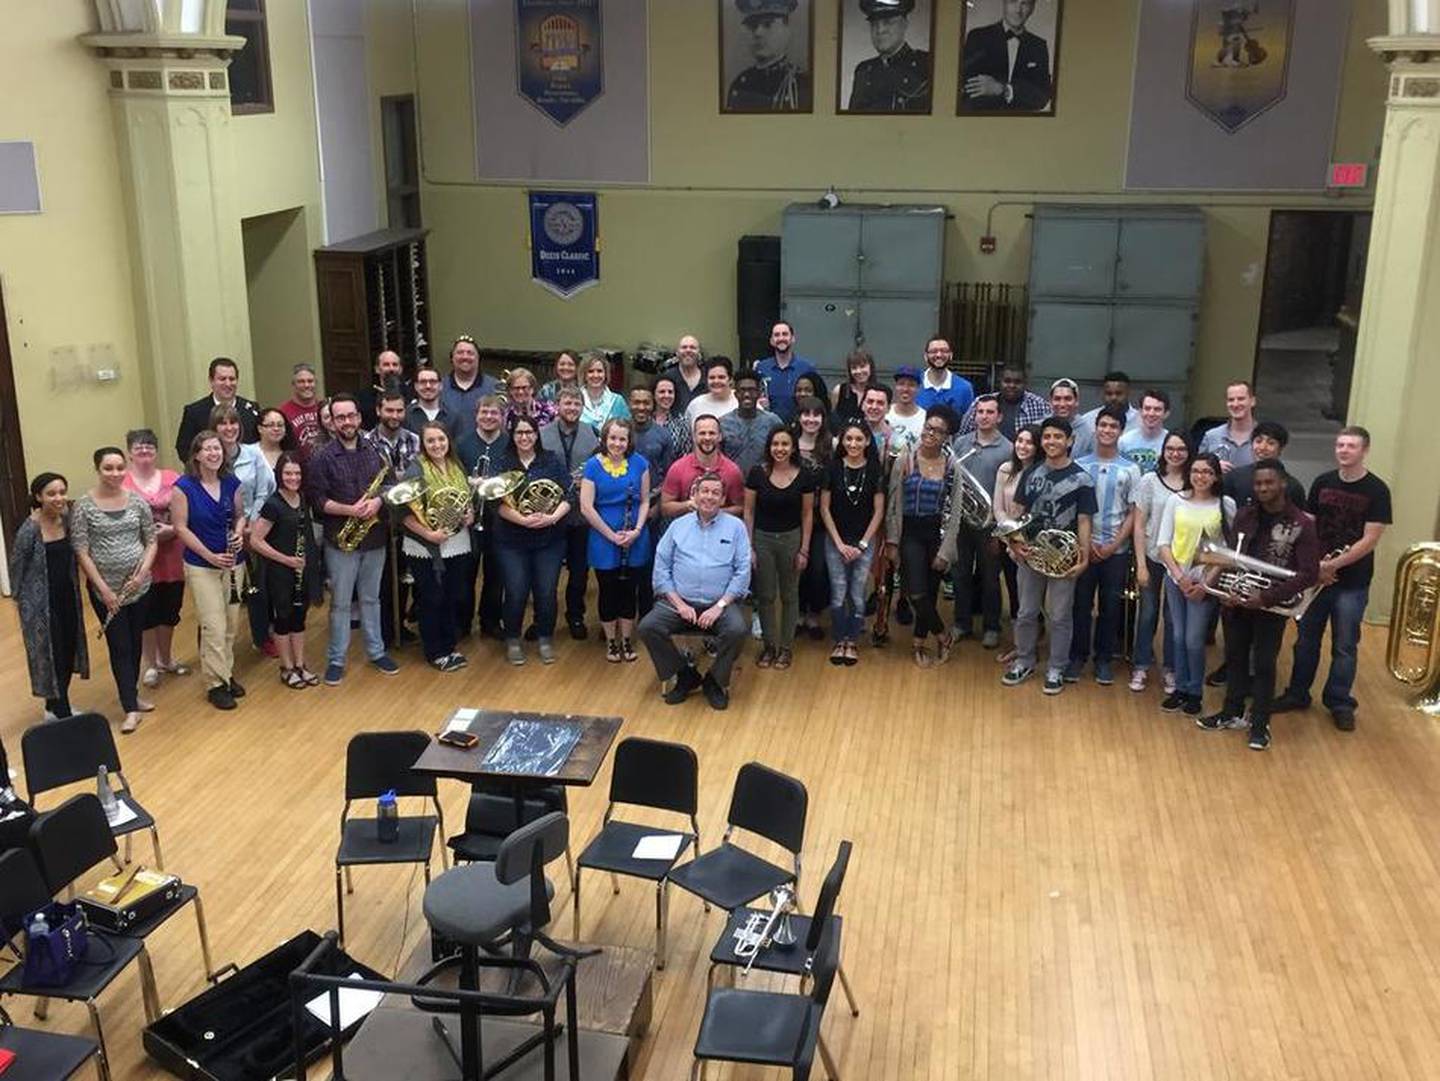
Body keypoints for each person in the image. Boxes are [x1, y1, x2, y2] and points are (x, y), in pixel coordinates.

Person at [1274, 427, 1392, 731]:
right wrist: (1313, 563)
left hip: (1352, 582)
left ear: (1364, 450)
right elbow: (1309, 523)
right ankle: (1298, 694)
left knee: (1345, 645)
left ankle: (1339, 702)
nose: (1344, 450)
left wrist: (1332, 564)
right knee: (1305, 641)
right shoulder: (1323, 482)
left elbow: (1370, 540)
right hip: (1317, 576)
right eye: (1340, 444)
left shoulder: (1377, 490)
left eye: (1351, 446)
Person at [1198, 460, 1319, 750]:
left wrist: (1265, 597)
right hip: (1238, 600)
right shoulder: (1245, 515)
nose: (1263, 488)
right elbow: (1232, 558)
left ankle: (1260, 725)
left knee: (1264, 664)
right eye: (1259, 483)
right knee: (1235, 657)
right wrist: (1223, 588)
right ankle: (1231, 712)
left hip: (1270, 604)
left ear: (1283, 483)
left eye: (1269, 482)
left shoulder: (1301, 524)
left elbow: (1308, 574)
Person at [306, 393, 399, 685]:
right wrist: (349, 510)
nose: (347, 422)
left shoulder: (375, 450)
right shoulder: (321, 457)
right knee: (342, 604)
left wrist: (378, 503)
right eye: (340, 417)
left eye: (351, 416)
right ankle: (336, 659)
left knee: (372, 599)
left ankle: (376, 651)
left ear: (359, 417)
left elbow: (390, 484)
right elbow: (317, 500)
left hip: (374, 537)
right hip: (340, 539)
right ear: (332, 422)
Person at [639, 473, 752, 709]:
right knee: (649, 627)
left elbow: (742, 573)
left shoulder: (736, 528)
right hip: (679, 601)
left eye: (715, 493)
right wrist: (679, 603)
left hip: (721, 603)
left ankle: (714, 680)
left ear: (722, 499)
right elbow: (661, 567)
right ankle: (685, 674)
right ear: (694, 495)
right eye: (704, 491)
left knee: (737, 628)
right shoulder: (677, 527)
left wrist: (719, 606)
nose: (709, 497)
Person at [1000, 416, 1095, 695]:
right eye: (1047, 437)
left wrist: (1084, 557)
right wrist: (1015, 544)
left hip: (1064, 559)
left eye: (1057, 437)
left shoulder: (1082, 478)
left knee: (1060, 616)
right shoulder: (1031, 473)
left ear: (1070, 441)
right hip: (1031, 554)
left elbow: (1085, 521)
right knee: (1026, 611)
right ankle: (1025, 659)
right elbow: (1016, 514)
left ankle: (1057, 667)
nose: (1051, 441)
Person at [72, 446, 157, 733]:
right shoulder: (84, 506)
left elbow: (152, 540)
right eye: (108, 468)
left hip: (139, 587)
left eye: (120, 467)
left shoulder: (136, 501)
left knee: (134, 643)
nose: (115, 473)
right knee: (120, 646)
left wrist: (142, 572)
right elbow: (82, 551)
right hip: (106, 592)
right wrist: (105, 590)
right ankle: (130, 708)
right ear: (98, 470)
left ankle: (131, 694)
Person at [1066, 407, 1141, 686]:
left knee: (1110, 606)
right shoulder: (1080, 465)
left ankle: (1104, 660)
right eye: (1103, 425)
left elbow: (1134, 512)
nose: (1107, 430)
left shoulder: (1131, 469)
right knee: (1081, 605)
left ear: (1121, 431)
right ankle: (1077, 656)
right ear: (1095, 428)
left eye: (1113, 426)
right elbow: (1074, 509)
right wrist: (1087, 546)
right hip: (1084, 549)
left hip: (1116, 552)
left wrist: (1113, 545)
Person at [172, 431, 245, 710]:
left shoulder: (231, 483)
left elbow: (240, 515)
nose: (214, 454)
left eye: (218, 449)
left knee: (230, 624)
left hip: (233, 561)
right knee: (213, 625)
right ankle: (215, 684)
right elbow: (180, 528)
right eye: (208, 449)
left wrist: (239, 533)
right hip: (202, 564)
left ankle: (225, 673)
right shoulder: (183, 487)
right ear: (197, 455)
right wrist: (209, 555)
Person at [396, 423, 475, 672]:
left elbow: (464, 500)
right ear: (423, 444)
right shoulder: (415, 469)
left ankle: (449, 646)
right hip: (425, 544)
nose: (437, 445)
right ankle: (435, 651)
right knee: (432, 598)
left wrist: (469, 514)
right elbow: (402, 512)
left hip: (456, 541)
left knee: (453, 596)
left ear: (448, 440)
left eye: (441, 439)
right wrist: (428, 533)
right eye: (430, 441)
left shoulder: (456, 465)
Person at [1157, 453, 1231, 716]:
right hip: (1177, 578)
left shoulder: (1225, 504)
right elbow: (1163, 543)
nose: (1201, 476)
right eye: (1196, 471)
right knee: (1177, 636)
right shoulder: (1175, 500)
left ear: (1216, 477)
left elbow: (1227, 551)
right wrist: (1179, 577)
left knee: (1194, 639)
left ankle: (1195, 692)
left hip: (1205, 583)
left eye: (1207, 472)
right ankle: (1180, 688)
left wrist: (1205, 583)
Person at [494, 416, 572, 665]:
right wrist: (523, 520)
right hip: (511, 539)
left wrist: (551, 518)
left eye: (529, 432)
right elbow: (496, 503)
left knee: (546, 592)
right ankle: (513, 638)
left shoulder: (551, 460)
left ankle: (545, 637)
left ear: (537, 435)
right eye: (519, 433)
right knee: (516, 591)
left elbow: (569, 493)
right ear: (512, 436)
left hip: (549, 538)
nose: (524, 437)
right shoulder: (503, 463)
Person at [11, 472, 89, 720]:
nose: (59, 498)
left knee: (67, 649)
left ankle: (53, 704)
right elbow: (17, 568)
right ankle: (62, 710)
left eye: (62, 492)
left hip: (66, 596)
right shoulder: (29, 529)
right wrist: (21, 603)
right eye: (51, 493)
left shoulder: (65, 519)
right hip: (40, 605)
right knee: (50, 653)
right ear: (38, 497)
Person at [888, 406, 962, 667]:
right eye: (928, 427)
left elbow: (955, 512)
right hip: (910, 532)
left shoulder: (952, 466)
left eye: (938, 431)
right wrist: (892, 541)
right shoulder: (905, 460)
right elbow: (893, 504)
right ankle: (943, 635)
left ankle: (919, 644)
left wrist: (947, 550)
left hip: (936, 535)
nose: (931, 433)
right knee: (916, 592)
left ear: (947, 437)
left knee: (930, 593)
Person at [122, 429, 190, 690]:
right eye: (139, 446)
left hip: (172, 553)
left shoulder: (173, 478)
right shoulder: (124, 482)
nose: (145, 450)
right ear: (130, 452)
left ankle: (166, 658)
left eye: (150, 446)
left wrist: (173, 530)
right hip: (140, 557)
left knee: (170, 609)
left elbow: (186, 512)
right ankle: (149, 664)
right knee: (146, 612)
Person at [580, 419, 652, 662]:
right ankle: (612, 641)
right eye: (613, 438)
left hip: (634, 536)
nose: (617, 443)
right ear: (604, 439)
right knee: (608, 589)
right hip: (603, 538)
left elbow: (644, 501)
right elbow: (587, 507)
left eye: (622, 439)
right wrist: (611, 536)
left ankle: (627, 639)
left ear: (629, 440)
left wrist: (637, 530)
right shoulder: (592, 466)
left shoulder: (640, 463)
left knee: (629, 590)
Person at [745, 426, 815, 670]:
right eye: (775, 444)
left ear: (793, 447)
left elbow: (807, 514)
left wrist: (804, 549)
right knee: (765, 596)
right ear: (769, 447)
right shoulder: (757, 473)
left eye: (785, 444)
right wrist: (749, 547)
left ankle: (786, 648)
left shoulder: (805, 475)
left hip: (791, 540)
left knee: (789, 595)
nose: (780, 449)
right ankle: (769, 646)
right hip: (762, 540)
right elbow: (749, 511)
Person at [250, 453, 320, 688]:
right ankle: (286, 667)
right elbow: (257, 541)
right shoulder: (273, 504)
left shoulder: (301, 497)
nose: (293, 477)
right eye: (288, 473)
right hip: (279, 572)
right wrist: (286, 560)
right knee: (283, 618)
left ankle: (300, 664)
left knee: (299, 618)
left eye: (297, 473)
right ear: (279, 474)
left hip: (300, 570)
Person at [819, 422, 886, 667]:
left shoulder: (876, 471)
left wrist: (863, 544)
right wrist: (838, 544)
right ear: (841, 441)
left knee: (857, 593)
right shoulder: (833, 468)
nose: (854, 444)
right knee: (838, 592)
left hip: (864, 542)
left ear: (868, 441)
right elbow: (824, 508)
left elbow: (878, 512)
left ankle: (852, 641)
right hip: (835, 540)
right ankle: (839, 640)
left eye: (859, 439)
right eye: (849, 439)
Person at [1129, 431, 1191, 694]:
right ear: (1163, 451)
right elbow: (1139, 524)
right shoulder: (1148, 481)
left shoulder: (1194, 482)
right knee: (1148, 613)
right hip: (1153, 558)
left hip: (1181, 561)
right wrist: (1141, 565)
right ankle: (1141, 665)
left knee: (1174, 617)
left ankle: (1171, 669)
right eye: (1170, 448)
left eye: (1181, 449)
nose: (1175, 454)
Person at [948, 394, 1012, 647]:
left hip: (990, 526)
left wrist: (1000, 530)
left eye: (989, 412)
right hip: (962, 522)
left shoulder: (1007, 449)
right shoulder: (962, 443)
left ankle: (991, 626)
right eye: (980, 412)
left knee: (990, 578)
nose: (984, 416)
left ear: (999, 417)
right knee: (960, 574)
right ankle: (961, 623)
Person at [214, 403, 277, 655]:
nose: (229, 428)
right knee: (218, 590)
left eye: (233, 423)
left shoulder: (252, 453)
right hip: (219, 530)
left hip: (252, 527)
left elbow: (265, 488)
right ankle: (214, 644)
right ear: (214, 428)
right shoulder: (210, 454)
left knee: (257, 587)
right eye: (223, 423)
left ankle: (261, 637)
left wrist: (252, 522)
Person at [540, 387, 600, 638]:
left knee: (578, 572)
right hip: (548, 514)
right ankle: (542, 620)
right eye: (568, 403)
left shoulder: (592, 434)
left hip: (580, 516)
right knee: (547, 573)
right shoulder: (541, 435)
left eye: (577, 404)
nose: (572, 408)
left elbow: (597, 469)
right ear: (557, 405)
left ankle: (575, 616)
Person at [455, 394, 511, 638]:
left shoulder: (510, 443)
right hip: (468, 517)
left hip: (500, 517)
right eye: (484, 412)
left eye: (494, 413)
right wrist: (470, 482)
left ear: (502, 417)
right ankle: (462, 622)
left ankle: (490, 621)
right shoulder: (462, 443)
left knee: (496, 572)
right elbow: (453, 476)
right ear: (476, 415)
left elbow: (515, 477)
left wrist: (497, 484)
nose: (489, 417)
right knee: (465, 573)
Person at [992, 424, 1040, 661]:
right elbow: (998, 508)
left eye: (1029, 442)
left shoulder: (1042, 472)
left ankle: (1034, 642)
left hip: (1033, 544)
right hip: (1009, 540)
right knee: (1015, 593)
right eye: (1019, 440)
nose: (1023, 446)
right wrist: (1011, 537)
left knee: (1033, 597)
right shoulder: (1005, 469)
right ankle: (1020, 645)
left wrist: (1023, 540)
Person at [961, 0, 1053, 111]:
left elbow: (1042, 97)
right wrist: (1023, 90)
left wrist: (1002, 89)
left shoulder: (1038, 46)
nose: (1018, 10)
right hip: (980, 121)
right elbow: (968, 87)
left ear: (1032, 8)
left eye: (1025, 3)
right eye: (1013, 2)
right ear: (1004, 3)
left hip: (1022, 125)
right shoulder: (978, 37)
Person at [793, 395, 834, 640]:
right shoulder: (789, 444)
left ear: (822, 418)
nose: (810, 419)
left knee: (818, 568)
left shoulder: (832, 444)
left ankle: (814, 614)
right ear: (799, 417)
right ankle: (797, 614)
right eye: (806, 414)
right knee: (797, 569)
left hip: (823, 517)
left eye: (815, 415)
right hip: (792, 516)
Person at [726, 0, 812, 112]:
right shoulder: (740, 85)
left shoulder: (800, 84)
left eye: (767, 24)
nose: (757, 33)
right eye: (752, 26)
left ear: (786, 31)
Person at [848, 0, 932, 113]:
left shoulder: (927, 63)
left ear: (904, 24)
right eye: (874, 24)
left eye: (888, 22)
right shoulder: (863, 70)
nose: (880, 30)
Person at [175, 356, 260, 463]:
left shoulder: (251, 410)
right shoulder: (194, 412)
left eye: (232, 379)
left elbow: (258, 444)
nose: (228, 384)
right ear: (211, 381)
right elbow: (184, 448)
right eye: (222, 379)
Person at [662, 415, 745, 518]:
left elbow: (740, 508)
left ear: (720, 436)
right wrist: (687, 505)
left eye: (712, 433)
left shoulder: (732, 471)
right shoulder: (678, 468)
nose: (707, 438)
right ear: (694, 437)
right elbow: (665, 508)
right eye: (702, 433)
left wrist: (714, 512)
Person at [1221, 421, 1307, 508]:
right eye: (1258, 441)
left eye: (1271, 443)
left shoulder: (1292, 486)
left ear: (1281, 448)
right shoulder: (1234, 477)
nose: (1262, 447)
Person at [958, 362, 1048, 440]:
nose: (1012, 385)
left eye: (1017, 382)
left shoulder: (1039, 405)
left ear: (1025, 383)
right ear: (999, 382)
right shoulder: (981, 402)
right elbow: (963, 434)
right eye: (1007, 381)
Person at [720, 369, 784, 475]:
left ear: (759, 393)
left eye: (751, 390)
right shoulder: (723, 423)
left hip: (765, 484)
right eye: (742, 390)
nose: (747, 394)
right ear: (736, 394)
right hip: (733, 483)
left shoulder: (773, 422)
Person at [753, 321, 815, 422]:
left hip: (798, 425)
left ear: (793, 339)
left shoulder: (807, 368)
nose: (781, 338)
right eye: (777, 335)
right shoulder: (761, 368)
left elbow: (815, 401)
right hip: (768, 426)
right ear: (771, 341)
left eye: (785, 334)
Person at [1199, 380, 1259, 471]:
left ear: (1253, 401)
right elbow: (1197, 468)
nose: (1235, 404)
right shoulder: (1211, 436)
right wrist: (1212, 466)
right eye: (1231, 400)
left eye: (1241, 399)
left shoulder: (1264, 438)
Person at [439, 334, 499, 423]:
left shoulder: (495, 387)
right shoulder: (439, 387)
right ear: (452, 358)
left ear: (478, 358)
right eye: (460, 352)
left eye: (470, 353)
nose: (465, 357)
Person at [916, 337, 975, 418]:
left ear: (951, 355)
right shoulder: (915, 384)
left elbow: (968, 424)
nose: (939, 355)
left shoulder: (964, 388)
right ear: (925, 356)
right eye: (934, 351)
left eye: (944, 351)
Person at [1118, 389, 1171, 472]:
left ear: (1166, 414)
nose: (1151, 414)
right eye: (1147, 408)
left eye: (1157, 409)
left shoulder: (1172, 442)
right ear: (1140, 411)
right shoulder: (1124, 441)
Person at [279, 363, 323, 462]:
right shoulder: (283, 412)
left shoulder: (325, 409)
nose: (306, 385)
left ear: (315, 383)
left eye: (310, 381)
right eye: (301, 382)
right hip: (298, 471)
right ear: (293, 385)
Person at [356, 350, 412, 430]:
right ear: (377, 369)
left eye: (395, 365)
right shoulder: (364, 397)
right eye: (386, 365)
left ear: (400, 369)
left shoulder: (411, 394)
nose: (391, 369)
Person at [406, 365, 461, 439]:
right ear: (416, 386)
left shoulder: (453, 417)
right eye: (423, 382)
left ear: (441, 386)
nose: (428, 386)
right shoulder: (406, 415)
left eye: (432, 382)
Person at [578, 353, 630, 430]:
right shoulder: (575, 399)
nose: (595, 375)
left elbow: (627, 430)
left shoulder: (618, 401)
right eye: (591, 371)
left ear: (606, 374)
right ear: (584, 375)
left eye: (599, 371)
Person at [685, 357, 741, 425]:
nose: (716, 381)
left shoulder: (741, 401)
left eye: (721, 377)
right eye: (712, 378)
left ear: (730, 379)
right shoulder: (695, 405)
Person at [1047, 378, 1094, 459]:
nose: (1062, 404)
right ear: (1050, 401)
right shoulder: (1040, 427)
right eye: (1057, 399)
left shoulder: (1089, 433)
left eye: (1067, 399)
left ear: (1076, 401)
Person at [831, 349, 874, 434]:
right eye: (854, 368)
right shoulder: (839, 390)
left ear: (871, 367)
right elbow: (833, 419)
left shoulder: (878, 392)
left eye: (862, 366)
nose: (858, 371)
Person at [886, 366, 926, 456]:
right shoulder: (885, 414)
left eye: (911, 385)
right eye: (901, 384)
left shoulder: (925, 419)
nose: (905, 389)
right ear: (895, 386)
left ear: (918, 388)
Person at [652, 373, 693, 458]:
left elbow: (685, 455)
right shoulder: (646, 420)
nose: (666, 395)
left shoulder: (682, 422)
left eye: (670, 392)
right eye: (662, 392)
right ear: (653, 394)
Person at [667, 335, 707, 413]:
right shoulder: (668, 377)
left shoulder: (708, 377)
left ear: (699, 353)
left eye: (693, 347)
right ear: (677, 352)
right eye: (684, 347)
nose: (688, 350)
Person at [860, 384, 896, 459]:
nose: (874, 407)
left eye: (880, 403)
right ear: (863, 405)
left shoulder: (897, 442)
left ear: (888, 408)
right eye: (870, 401)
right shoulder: (849, 436)